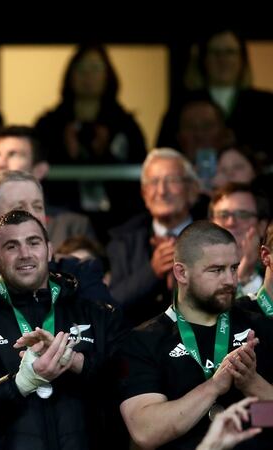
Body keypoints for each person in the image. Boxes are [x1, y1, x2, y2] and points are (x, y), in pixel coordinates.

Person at [0, 210, 121, 449]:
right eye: (12, 246)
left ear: (49, 250)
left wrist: (78, 363)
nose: (25, 254)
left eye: (33, 243)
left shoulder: (99, 315)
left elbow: (133, 387)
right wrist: (19, 384)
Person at [119, 221, 273, 449]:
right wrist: (214, 386)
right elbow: (146, 431)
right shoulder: (143, 341)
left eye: (233, 267)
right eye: (216, 270)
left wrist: (252, 384)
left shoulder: (261, 326)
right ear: (181, 272)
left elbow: (268, 417)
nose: (230, 280)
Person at [34, 43, 147, 215]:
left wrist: (106, 154)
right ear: (70, 75)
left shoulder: (125, 125)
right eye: (81, 68)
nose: (87, 75)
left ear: (108, 75)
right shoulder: (50, 124)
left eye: (95, 67)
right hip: (61, 214)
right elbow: (37, 172)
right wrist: (65, 153)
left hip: (118, 217)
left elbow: (139, 174)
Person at [107, 148, 202, 328]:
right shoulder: (123, 240)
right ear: (144, 194)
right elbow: (112, 302)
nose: (161, 191)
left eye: (171, 181)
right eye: (153, 182)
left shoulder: (211, 234)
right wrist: (152, 271)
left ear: (191, 189)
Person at [157, 28, 273, 164]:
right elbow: (164, 154)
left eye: (230, 52)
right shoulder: (183, 104)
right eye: (215, 52)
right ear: (203, 59)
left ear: (242, 59)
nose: (222, 59)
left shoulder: (265, 103)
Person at [209, 184, 269, 296]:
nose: (231, 222)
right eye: (223, 215)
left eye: (243, 215)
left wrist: (246, 274)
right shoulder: (195, 272)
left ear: (262, 226)